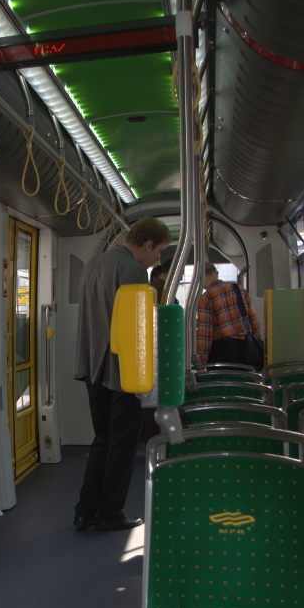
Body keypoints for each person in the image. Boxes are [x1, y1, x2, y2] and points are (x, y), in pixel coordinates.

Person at [73, 217, 171, 532]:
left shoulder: (93, 264)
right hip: (122, 370)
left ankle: (85, 510)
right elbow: (137, 329)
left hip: (93, 366)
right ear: (147, 244)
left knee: (102, 439)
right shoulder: (132, 271)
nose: (157, 259)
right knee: (123, 443)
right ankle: (110, 513)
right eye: (159, 252)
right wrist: (146, 381)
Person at [197, 262, 262, 366]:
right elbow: (253, 320)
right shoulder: (239, 289)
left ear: (199, 278)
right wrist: (255, 343)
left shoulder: (205, 298)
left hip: (223, 350)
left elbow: (205, 333)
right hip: (246, 346)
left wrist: (201, 361)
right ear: (216, 273)